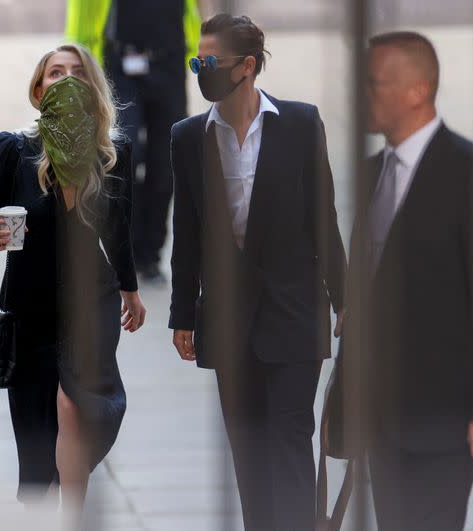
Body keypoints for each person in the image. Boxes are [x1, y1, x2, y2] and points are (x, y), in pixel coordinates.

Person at [339, 31, 473, 531]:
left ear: (418, 91)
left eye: (373, 84)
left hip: (443, 420)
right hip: (380, 415)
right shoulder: (372, 171)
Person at [168, 14, 347, 530]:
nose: (202, 70)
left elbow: (324, 217)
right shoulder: (187, 138)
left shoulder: (299, 124)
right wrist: (183, 313)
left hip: (294, 311)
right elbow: (189, 230)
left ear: (246, 67)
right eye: (196, 61)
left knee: (289, 439)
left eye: (211, 62)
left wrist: (346, 300)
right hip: (227, 319)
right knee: (248, 452)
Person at [0, 43, 146, 517]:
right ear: (38, 90)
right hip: (30, 306)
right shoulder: (10, 150)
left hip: (92, 303)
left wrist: (130, 288)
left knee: (74, 406)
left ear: (92, 86)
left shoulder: (112, 152)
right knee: (38, 427)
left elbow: (118, 229)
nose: (64, 80)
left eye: (76, 73)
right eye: (54, 73)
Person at [66, 0, 203, 281]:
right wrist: (75, 66)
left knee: (166, 163)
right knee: (125, 155)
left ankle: (149, 254)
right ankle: (124, 248)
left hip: (170, 62)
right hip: (118, 64)